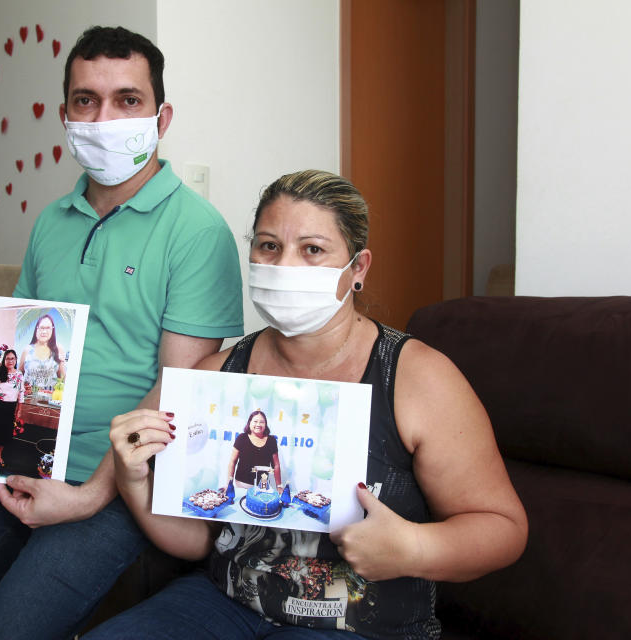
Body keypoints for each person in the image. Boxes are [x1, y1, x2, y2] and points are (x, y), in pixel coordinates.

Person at [0, 26, 244, 640]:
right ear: (65, 114)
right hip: (12, 455)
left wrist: (89, 496)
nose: (104, 118)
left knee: (9, 631)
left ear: (162, 115)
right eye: (85, 101)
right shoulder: (52, 220)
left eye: (127, 100)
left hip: (115, 478)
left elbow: (179, 388)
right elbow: (23, 349)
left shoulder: (197, 230)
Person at [91, 170, 528, 639]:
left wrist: (416, 547)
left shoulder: (418, 378)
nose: (285, 266)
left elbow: (503, 529)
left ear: (357, 269)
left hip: (361, 625)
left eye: (313, 250)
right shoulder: (215, 376)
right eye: (269, 246)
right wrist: (133, 478)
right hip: (227, 602)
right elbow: (199, 542)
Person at [0, 349, 23, 475]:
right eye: (8, 358)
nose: (10, 361)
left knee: (5, 435)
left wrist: (19, 410)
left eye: (12, 358)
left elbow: (21, 393)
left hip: (10, 409)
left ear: (16, 360)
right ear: (4, 360)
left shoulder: (19, 375)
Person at [226, 410, 282, 492]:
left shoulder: (272, 440)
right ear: (249, 423)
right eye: (255, 421)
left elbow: (276, 465)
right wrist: (228, 484)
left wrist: (279, 486)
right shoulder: (241, 438)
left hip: (263, 487)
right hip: (242, 486)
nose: (258, 425)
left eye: (262, 422)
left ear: (265, 424)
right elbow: (232, 462)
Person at [19, 313, 65, 393]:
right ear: (37, 329)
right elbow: (19, 376)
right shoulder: (27, 350)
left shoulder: (58, 348)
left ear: (52, 330)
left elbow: (62, 377)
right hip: (28, 398)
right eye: (41, 328)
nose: (44, 331)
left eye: (48, 328)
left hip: (50, 400)